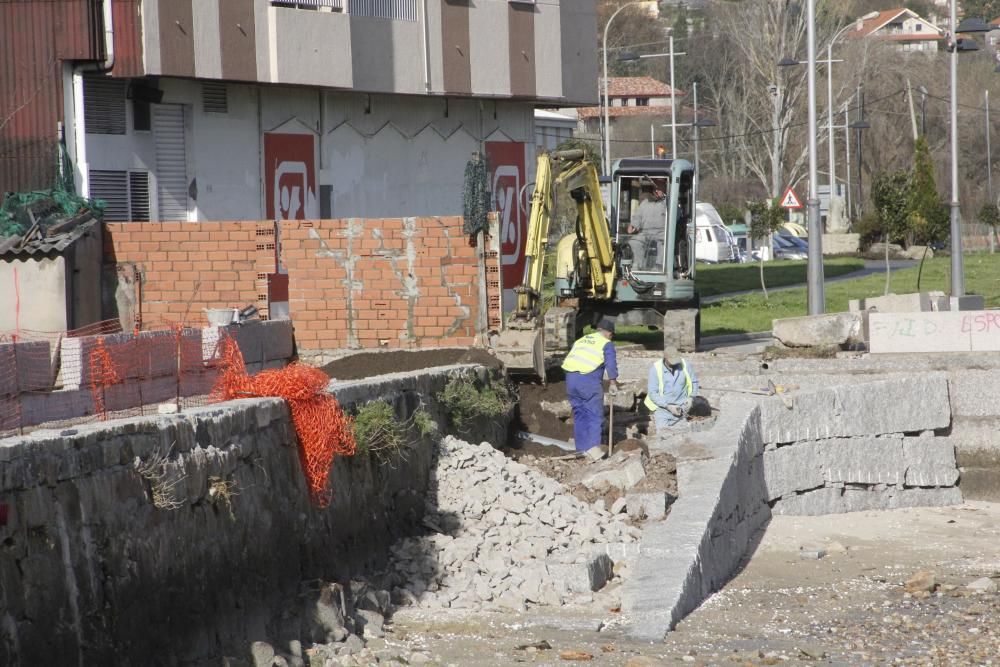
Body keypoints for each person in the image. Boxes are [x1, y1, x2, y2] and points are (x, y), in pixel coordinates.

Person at [561, 319, 620, 457]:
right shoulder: (606, 343)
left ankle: (581, 450)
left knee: (580, 414)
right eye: (612, 336)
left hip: (571, 379)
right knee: (594, 416)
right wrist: (612, 383)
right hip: (588, 380)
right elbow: (611, 364)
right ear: (609, 333)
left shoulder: (582, 340)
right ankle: (593, 452)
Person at [643, 345, 699, 432]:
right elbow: (653, 393)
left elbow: (694, 382)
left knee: (681, 438)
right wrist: (668, 406)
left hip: (681, 410)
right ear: (665, 358)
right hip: (663, 410)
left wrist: (691, 397)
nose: (675, 363)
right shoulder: (655, 369)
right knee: (663, 437)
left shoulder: (685, 365)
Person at [627, 181, 667, 271]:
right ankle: (638, 265)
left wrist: (664, 197)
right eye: (655, 189)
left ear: (664, 190)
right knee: (634, 241)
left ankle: (658, 266)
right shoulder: (645, 203)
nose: (656, 191)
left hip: (661, 233)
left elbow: (676, 214)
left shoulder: (667, 203)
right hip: (645, 232)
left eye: (659, 189)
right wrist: (633, 225)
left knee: (665, 243)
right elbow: (637, 217)